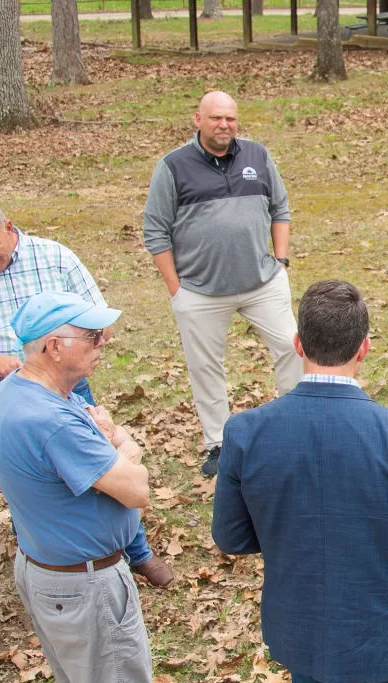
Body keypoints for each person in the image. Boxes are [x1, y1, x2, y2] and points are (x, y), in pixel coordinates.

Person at [212, 280, 388, 683]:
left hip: (302, 627)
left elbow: (232, 537)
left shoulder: (245, 433)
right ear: (364, 348)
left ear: (297, 344)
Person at [0, 199, 174, 588]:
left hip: (67, 384)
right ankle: (53, 561)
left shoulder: (54, 258)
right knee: (44, 482)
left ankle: (135, 552)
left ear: (9, 227)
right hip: (8, 392)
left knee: (96, 465)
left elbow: (101, 321)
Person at [0, 292, 154, 683]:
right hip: (84, 586)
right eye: (93, 336)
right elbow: (136, 489)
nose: (104, 342)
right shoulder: (52, 421)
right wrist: (123, 445)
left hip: (48, 572)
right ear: (54, 347)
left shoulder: (14, 390)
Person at [144, 90, 305, 478]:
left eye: (231, 119)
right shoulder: (173, 166)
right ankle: (218, 442)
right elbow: (155, 230)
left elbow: (279, 207)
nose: (224, 126)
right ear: (197, 119)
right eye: (216, 118)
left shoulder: (257, 155)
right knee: (206, 367)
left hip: (262, 281)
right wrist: (175, 289)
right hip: (199, 290)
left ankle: (295, 427)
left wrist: (280, 261)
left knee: (292, 347)